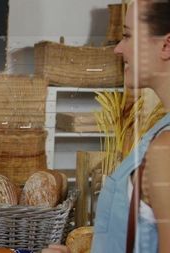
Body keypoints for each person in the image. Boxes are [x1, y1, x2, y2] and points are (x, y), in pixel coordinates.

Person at [43, 0, 170, 252]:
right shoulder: (161, 132)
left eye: (128, 35)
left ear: (166, 45)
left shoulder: (165, 149)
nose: (118, 49)